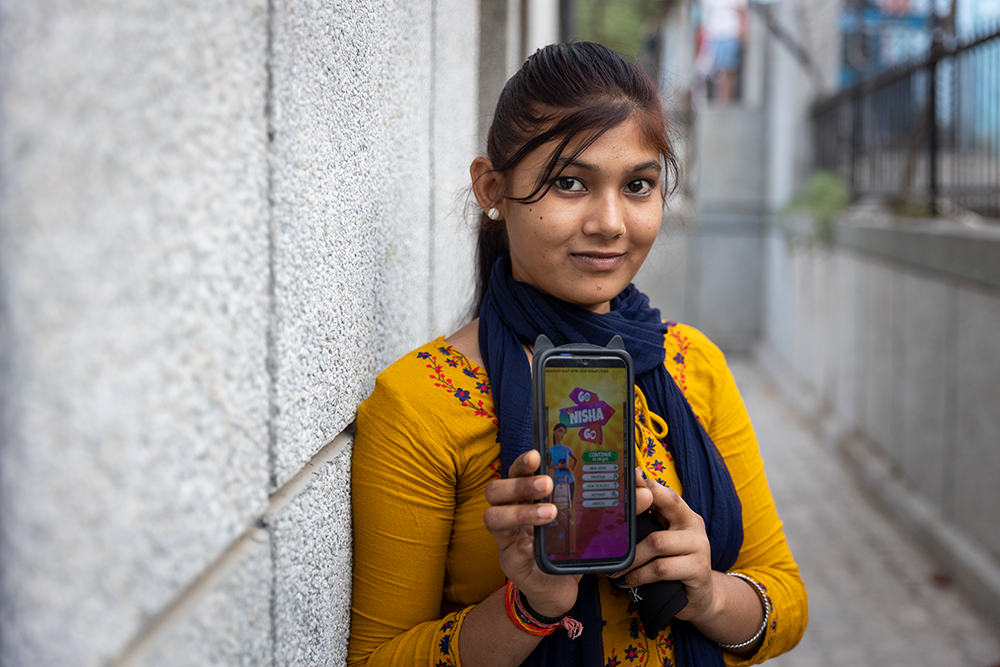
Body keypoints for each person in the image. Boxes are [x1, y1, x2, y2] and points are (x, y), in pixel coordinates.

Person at [349, 42, 807, 667]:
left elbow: (784, 598)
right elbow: (376, 658)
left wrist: (705, 591)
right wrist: (530, 605)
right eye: (570, 183)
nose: (611, 222)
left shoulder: (690, 363)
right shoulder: (422, 404)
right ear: (493, 187)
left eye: (638, 185)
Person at [548, 424, 578, 503]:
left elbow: (576, 460)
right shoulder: (551, 450)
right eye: (560, 431)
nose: (562, 435)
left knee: (569, 505)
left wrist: (572, 470)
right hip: (556, 482)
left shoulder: (566, 448)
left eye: (564, 433)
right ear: (554, 432)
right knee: (556, 506)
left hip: (569, 481)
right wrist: (558, 467)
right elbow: (548, 465)